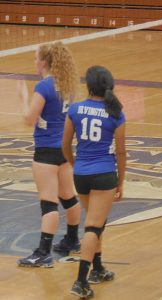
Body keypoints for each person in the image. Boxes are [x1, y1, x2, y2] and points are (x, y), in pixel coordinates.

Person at [62, 65, 126, 298]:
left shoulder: (76, 109)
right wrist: (121, 181)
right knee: (93, 226)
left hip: (82, 174)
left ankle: (98, 268)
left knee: (95, 222)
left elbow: (65, 145)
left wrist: (74, 165)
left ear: (88, 86)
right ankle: (81, 281)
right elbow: (121, 152)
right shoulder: (115, 112)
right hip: (104, 174)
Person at [16, 41, 81, 268]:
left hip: (45, 151)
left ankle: (43, 253)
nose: (34, 62)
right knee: (68, 196)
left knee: (49, 203)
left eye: (35, 58)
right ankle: (72, 240)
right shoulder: (68, 84)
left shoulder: (43, 87)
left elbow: (29, 119)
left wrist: (23, 98)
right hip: (63, 148)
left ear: (44, 62)